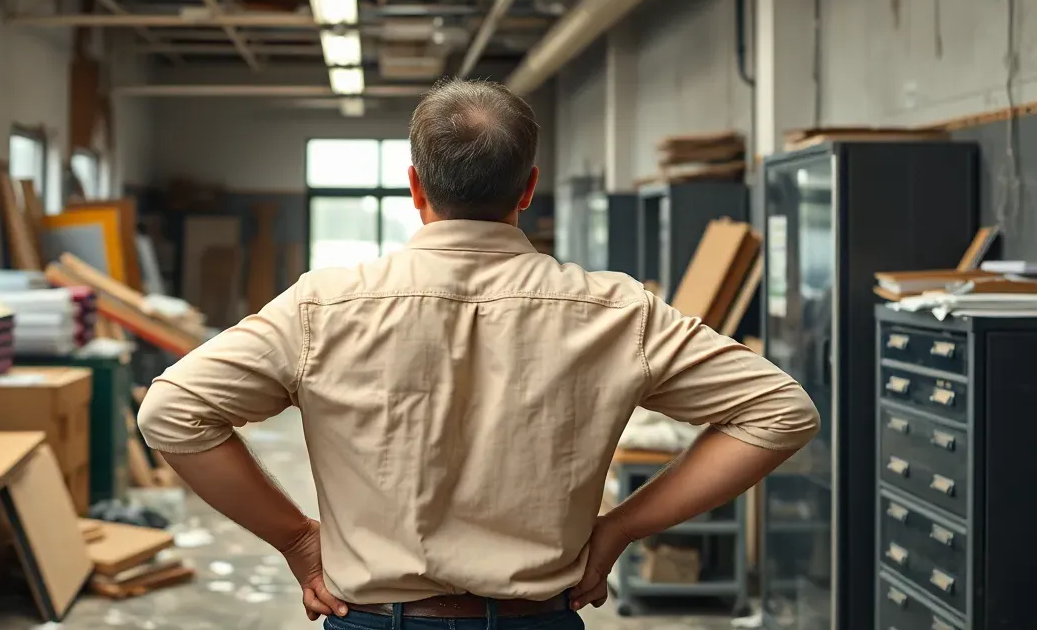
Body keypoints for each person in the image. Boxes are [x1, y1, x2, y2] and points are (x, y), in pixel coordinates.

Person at [137, 79, 819, 630]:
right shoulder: (615, 311)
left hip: (376, 622)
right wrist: (617, 531)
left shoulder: (325, 306)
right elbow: (780, 412)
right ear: (527, 189)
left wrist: (297, 540)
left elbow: (172, 412)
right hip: (538, 620)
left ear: (414, 188)